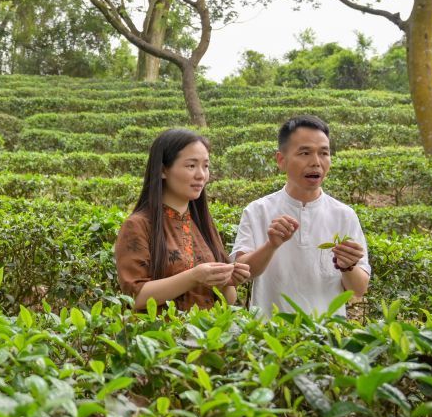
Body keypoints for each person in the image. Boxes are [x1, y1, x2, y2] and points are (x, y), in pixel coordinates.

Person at [232, 115, 370, 318]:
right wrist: (271, 245)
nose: (316, 162)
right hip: (270, 336)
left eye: (324, 153)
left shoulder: (344, 215)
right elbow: (242, 273)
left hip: (326, 335)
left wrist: (347, 266)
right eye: (305, 153)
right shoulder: (257, 211)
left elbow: (359, 289)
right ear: (281, 160)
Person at [115, 128, 250, 311]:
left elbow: (230, 300)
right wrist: (193, 277)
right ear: (163, 170)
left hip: (207, 335)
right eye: (191, 166)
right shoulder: (138, 225)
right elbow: (135, 297)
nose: (201, 175)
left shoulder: (203, 224)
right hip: (160, 337)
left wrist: (227, 280)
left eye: (206, 166)